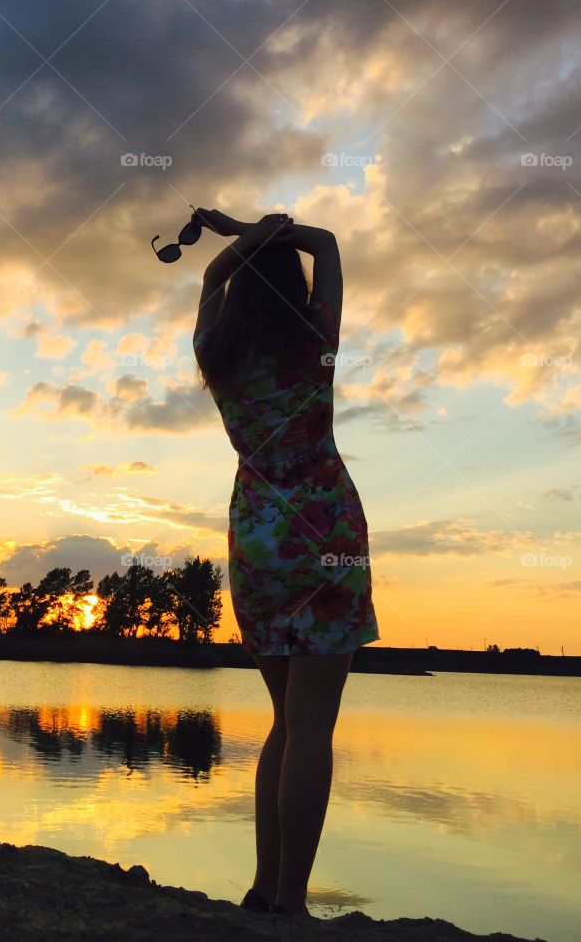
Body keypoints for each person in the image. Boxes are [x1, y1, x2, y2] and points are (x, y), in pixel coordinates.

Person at [192, 208, 379, 920]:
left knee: (284, 722)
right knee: (311, 727)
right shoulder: (314, 339)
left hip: (258, 536)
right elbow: (328, 241)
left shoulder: (217, 350)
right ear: (292, 287)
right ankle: (292, 904)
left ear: (241, 286)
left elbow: (213, 270)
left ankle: (265, 890)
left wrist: (242, 234)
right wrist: (265, 227)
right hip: (324, 531)